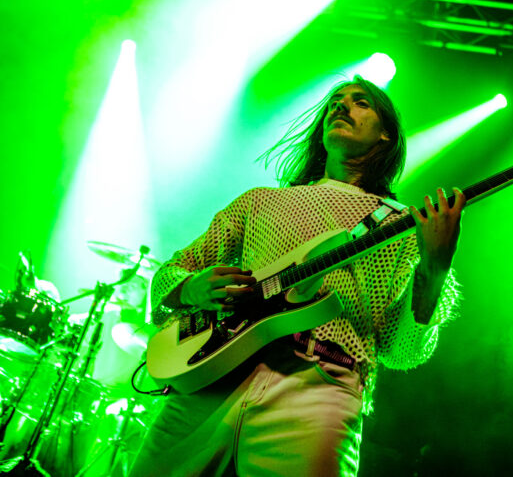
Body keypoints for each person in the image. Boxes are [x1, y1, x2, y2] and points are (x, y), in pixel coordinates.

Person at [129, 76, 464, 477]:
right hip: (212, 374)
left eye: (361, 103)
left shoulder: (401, 227)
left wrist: (435, 268)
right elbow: (170, 272)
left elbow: (401, 350)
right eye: (336, 101)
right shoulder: (259, 201)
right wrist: (191, 287)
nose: (341, 106)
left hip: (319, 386)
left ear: (385, 135)